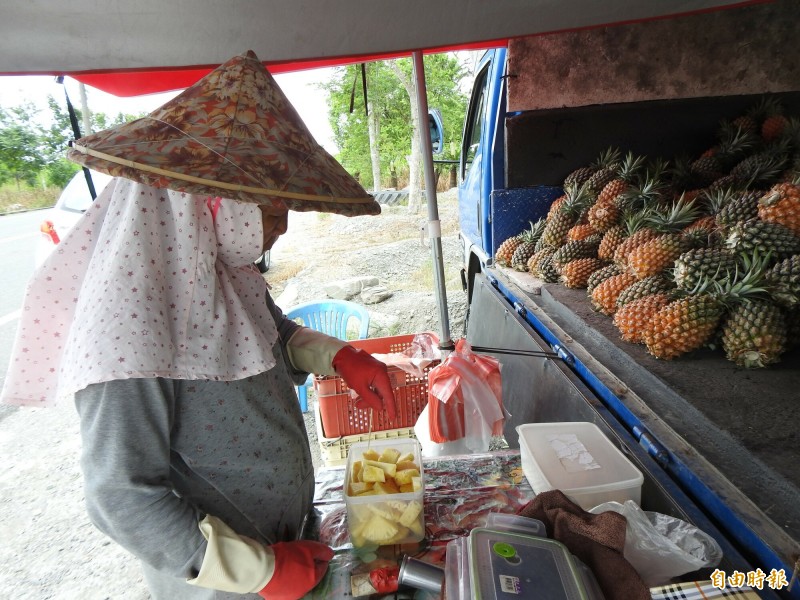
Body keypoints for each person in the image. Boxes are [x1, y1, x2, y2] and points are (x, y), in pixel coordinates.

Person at [1, 51, 394, 599]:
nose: (281, 225)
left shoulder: (217, 274)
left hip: (285, 545)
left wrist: (339, 357)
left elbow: (270, 335)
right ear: (212, 203)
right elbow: (120, 495)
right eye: (272, 206)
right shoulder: (126, 330)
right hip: (225, 584)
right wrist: (258, 572)